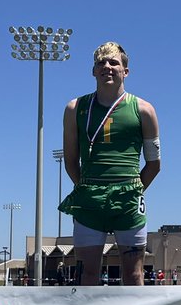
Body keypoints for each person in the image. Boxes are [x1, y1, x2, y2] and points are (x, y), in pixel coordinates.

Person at [59, 41, 161, 286]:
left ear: (125, 71)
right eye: (100, 63)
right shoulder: (75, 108)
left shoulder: (144, 110)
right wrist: (86, 187)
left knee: (134, 274)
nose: (107, 66)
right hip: (89, 197)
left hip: (128, 198)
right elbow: (71, 160)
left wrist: (133, 190)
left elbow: (154, 164)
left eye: (113, 62)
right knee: (86, 274)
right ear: (93, 71)